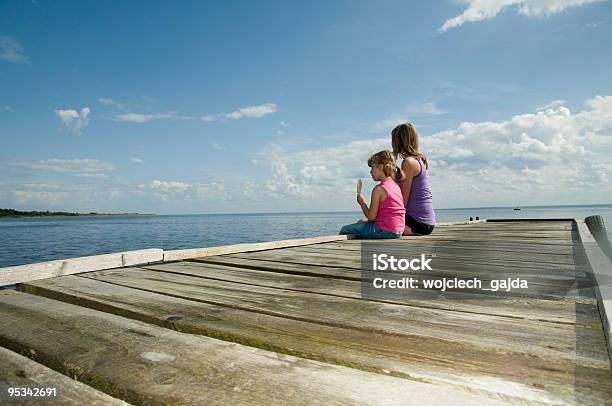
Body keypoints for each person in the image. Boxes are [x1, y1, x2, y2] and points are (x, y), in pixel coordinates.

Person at [339, 150, 405, 239]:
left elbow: (371, 217)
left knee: (345, 229)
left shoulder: (379, 189)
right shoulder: (396, 186)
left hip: (385, 231)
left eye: (372, 168)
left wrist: (362, 203)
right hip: (399, 230)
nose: (370, 172)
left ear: (381, 167)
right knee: (361, 222)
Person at [391, 123, 435, 235]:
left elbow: (402, 201)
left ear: (398, 141)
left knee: (368, 224)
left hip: (418, 223)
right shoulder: (419, 160)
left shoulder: (408, 163)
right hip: (426, 222)